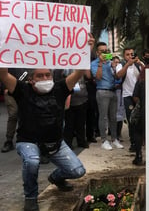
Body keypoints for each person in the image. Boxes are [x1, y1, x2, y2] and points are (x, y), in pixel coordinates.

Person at [0, 34, 94, 211]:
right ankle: (30, 197)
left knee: (77, 171)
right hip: (28, 141)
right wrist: (3, 46)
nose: (44, 78)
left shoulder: (60, 88)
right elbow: (3, 73)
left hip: (55, 143)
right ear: (31, 79)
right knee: (32, 161)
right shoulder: (22, 90)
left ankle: (56, 178)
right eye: (40, 76)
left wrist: (86, 49)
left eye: (47, 74)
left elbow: (80, 71)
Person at [90, 42, 124, 150]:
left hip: (113, 91)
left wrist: (114, 67)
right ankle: (104, 140)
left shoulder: (110, 62)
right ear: (97, 52)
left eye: (106, 50)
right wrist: (100, 63)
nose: (104, 52)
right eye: (102, 51)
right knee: (103, 116)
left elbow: (117, 77)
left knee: (113, 117)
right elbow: (98, 77)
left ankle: (114, 139)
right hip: (102, 91)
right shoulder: (94, 63)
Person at [115, 48, 144, 151]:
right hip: (127, 96)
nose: (130, 56)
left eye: (132, 54)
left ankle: (140, 141)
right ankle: (133, 143)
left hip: (139, 96)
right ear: (124, 56)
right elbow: (118, 75)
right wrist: (127, 64)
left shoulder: (138, 65)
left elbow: (147, 73)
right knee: (131, 120)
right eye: (127, 54)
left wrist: (140, 63)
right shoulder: (121, 65)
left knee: (140, 120)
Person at [1, 68, 28, 153]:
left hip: (27, 90)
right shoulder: (10, 59)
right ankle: (9, 140)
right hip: (10, 90)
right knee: (13, 114)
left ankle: (27, 138)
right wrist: (4, 88)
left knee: (28, 113)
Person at [63, 69, 91, 149]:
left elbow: (88, 76)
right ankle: (68, 142)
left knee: (81, 123)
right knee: (69, 124)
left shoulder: (82, 68)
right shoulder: (66, 68)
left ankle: (81, 141)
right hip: (70, 100)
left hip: (82, 99)